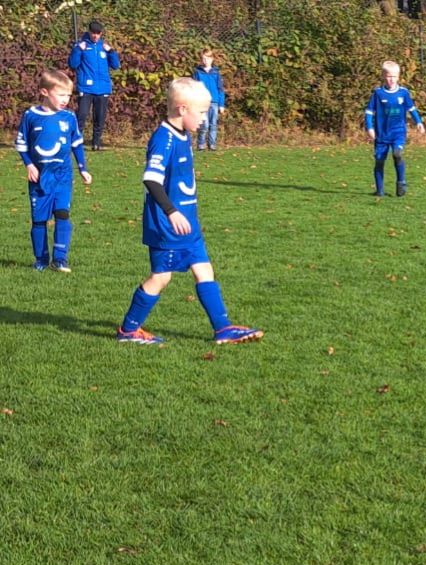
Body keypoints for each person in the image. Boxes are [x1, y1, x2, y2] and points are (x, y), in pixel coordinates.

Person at [115, 78, 261, 346]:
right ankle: (128, 330)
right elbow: (151, 180)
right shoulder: (164, 139)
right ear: (182, 109)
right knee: (161, 277)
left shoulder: (184, 135)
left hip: (187, 223)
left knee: (204, 269)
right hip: (168, 225)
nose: (205, 118)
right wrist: (172, 212)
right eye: (202, 112)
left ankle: (223, 328)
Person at [15, 69, 92, 271]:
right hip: (40, 177)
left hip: (63, 175)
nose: (65, 99)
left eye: (68, 95)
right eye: (61, 94)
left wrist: (83, 168)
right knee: (39, 220)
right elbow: (21, 144)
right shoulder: (31, 116)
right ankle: (41, 260)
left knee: (62, 213)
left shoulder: (69, 117)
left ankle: (60, 259)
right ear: (45, 92)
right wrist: (29, 164)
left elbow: (76, 144)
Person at [364, 60, 425, 197]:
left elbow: (411, 108)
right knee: (379, 161)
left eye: (394, 76)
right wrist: (370, 127)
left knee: (397, 154)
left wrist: (419, 122)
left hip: (398, 132)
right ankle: (380, 191)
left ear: (398, 77)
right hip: (381, 134)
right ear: (383, 76)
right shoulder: (378, 93)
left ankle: (401, 182)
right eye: (388, 76)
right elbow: (369, 112)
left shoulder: (403, 93)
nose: (391, 79)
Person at [67, 19, 119, 151]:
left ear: (101, 33)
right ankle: (75, 142)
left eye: (98, 33)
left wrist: (111, 52)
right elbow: (73, 64)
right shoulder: (81, 46)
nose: (95, 36)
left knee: (100, 117)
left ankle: (96, 143)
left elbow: (115, 65)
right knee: (82, 116)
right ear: (89, 32)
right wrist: (78, 50)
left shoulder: (104, 47)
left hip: (103, 88)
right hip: (86, 88)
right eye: (93, 33)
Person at [192, 50, 226, 151]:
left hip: (214, 102)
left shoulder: (216, 73)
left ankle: (212, 145)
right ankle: (201, 144)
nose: (205, 61)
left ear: (212, 59)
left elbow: (220, 89)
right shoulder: (198, 72)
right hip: (202, 102)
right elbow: (194, 87)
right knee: (204, 124)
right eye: (203, 59)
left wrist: (221, 104)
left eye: (207, 58)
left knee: (213, 124)